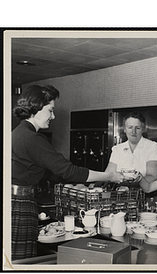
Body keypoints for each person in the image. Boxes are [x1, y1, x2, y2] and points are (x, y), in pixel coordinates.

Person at [11, 85, 124, 261]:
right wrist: (108, 175)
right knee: (21, 262)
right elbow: (69, 171)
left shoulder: (18, 133)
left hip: (14, 201)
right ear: (35, 108)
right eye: (50, 110)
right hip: (19, 203)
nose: (53, 116)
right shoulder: (32, 138)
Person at [105, 111, 157, 215]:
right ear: (124, 129)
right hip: (122, 198)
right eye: (130, 127)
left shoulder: (153, 147)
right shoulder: (117, 149)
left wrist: (130, 187)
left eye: (137, 128)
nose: (133, 131)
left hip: (148, 197)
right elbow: (109, 174)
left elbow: (153, 175)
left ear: (143, 129)